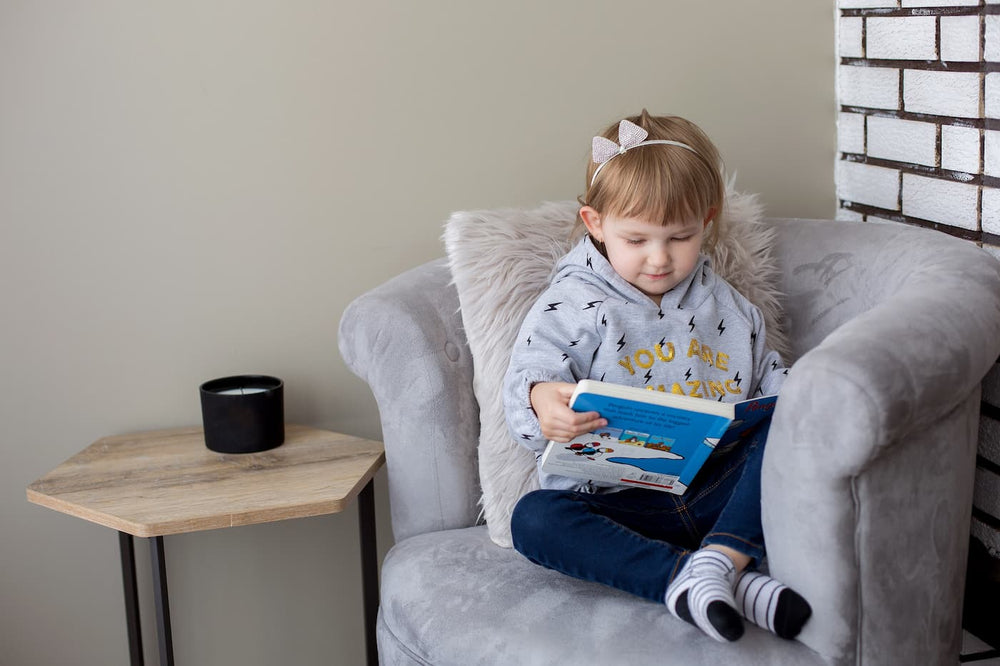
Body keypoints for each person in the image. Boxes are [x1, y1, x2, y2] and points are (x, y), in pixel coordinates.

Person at [502, 111, 811, 643]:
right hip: (618, 507)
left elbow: (771, 384)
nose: (660, 258)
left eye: (681, 237)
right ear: (595, 223)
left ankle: (723, 557)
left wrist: (799, 401)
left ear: (708, 221)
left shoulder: (734, 311)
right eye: (637, 239)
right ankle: (699, 579)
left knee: (791, 415)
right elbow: (530, 382)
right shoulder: (572, 303)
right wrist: (541, 403)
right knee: (533, 519)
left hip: (717, 493)